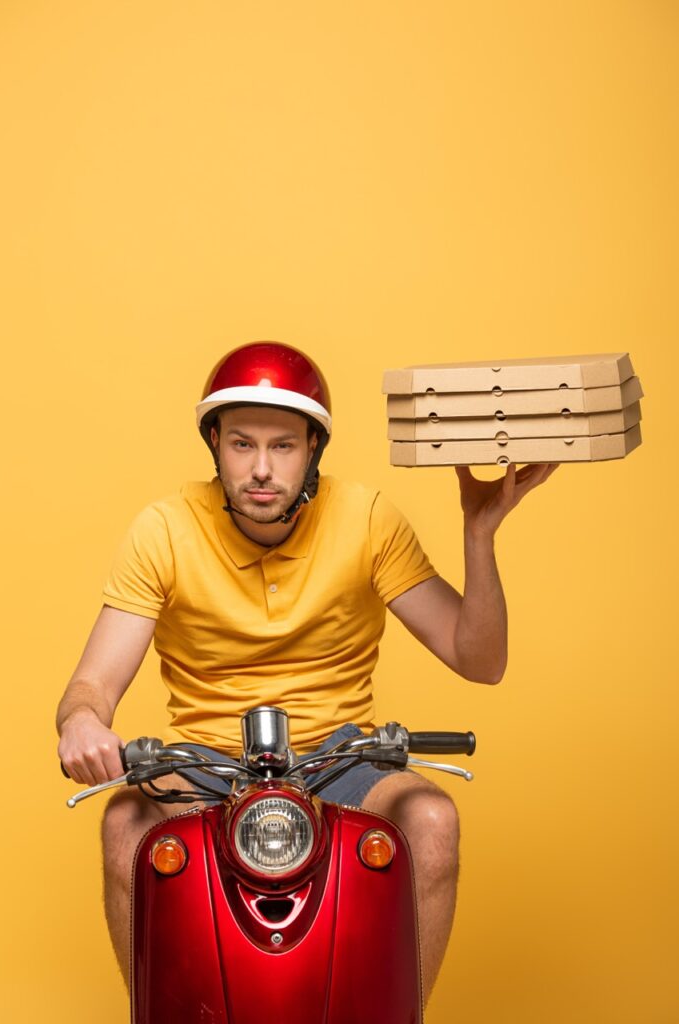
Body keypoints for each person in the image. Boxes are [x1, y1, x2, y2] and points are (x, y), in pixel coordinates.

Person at [56, 341, 557, 1004]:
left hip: (340, 754)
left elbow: (479, 660)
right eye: (241, 444)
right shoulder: (164, 529)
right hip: (206, 755)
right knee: (124, 824)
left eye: (284, 446)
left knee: (432, 822)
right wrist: (83, 722)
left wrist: (478, 530)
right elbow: (92, 684)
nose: (261, 469)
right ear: (214, 443)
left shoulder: (367, 518)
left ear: (313, 449)